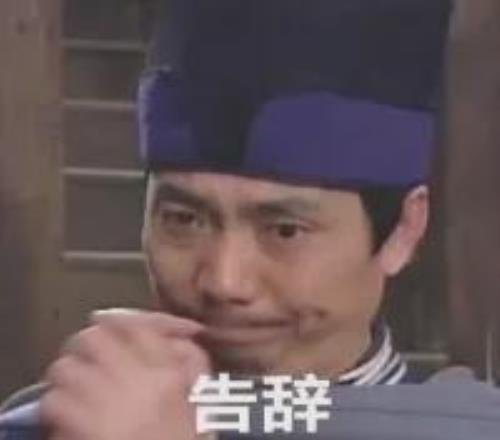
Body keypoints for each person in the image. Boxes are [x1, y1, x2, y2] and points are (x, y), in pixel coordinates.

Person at [6, 1, 492, 440]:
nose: (224, 282)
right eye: (184, 220)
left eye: (284, 230)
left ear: (404, 230)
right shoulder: (55, 423)